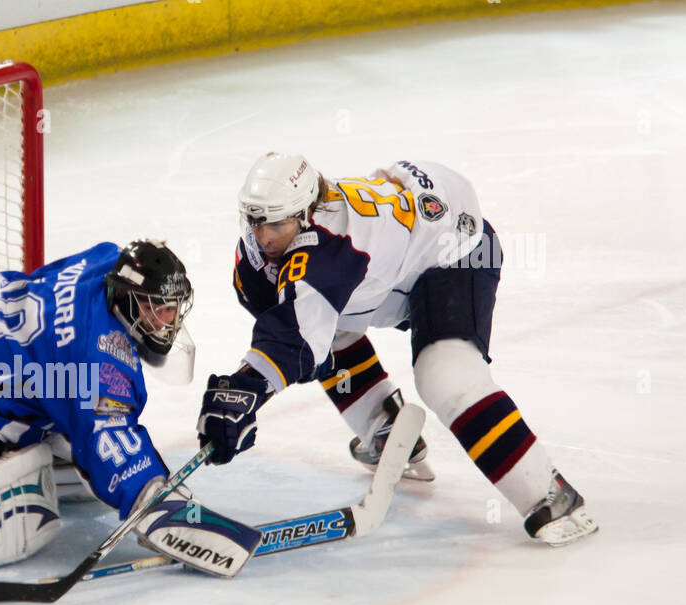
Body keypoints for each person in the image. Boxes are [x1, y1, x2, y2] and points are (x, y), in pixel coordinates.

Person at [197, 153, 598, 546]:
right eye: (255, 221)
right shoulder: (262, 251)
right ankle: (387, 431)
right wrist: (253, 387)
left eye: (277, 224)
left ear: (305, 214)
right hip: (406, 242)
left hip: (455, 250)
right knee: (322, 330)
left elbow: (294, 338)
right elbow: (294, 330)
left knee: (446, 376)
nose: (264, 236)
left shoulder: (327, 248)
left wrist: (244, 391)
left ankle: (548, 494)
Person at [0, 240, 262, 578]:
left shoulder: (107, 261)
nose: (168, 320)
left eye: (172, 308)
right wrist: (156, 501)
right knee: (7, 497)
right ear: (128, 302)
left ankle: (30, 436)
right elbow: (107, 436)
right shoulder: (95, 359)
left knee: (63, 406)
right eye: (158, 309)